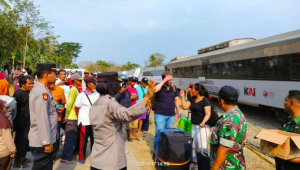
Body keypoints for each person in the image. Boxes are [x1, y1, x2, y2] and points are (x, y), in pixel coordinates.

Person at [89, 72, 155, 170]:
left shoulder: (96, 103)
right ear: (112, 85)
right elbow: (127, 114)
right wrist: (147, 98)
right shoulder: (110, 103)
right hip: (112, 161)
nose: (119, 85)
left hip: (96, 160)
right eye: (117, 83)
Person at [28, 63, 58, 170]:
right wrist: (46, 142)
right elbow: (41, 118)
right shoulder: (42, 93)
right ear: (46, 74)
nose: (56, 77)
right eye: (54, 74)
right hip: (42, 142)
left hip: (44, 139)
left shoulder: (41, 90)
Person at [210, 86, 247, 170]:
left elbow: (224, 148)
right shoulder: (238, 113)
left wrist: (213, 168)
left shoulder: (229, 120)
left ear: (222, 101)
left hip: (226, 166)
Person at [180, 83, 211, 169]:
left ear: (197, 91)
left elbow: (208, 114)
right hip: (194, 125)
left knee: (201, 147)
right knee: (193, 145)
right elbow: (185, 107)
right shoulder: (192, 98)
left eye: (193, 89)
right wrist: (183, 96)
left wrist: (203, 122)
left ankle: (202, 166)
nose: (191, 90)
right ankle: (195, 163)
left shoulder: (205, 100)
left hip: (203, 127)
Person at [152, 72, 180, 159]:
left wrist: (177, 112)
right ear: (164, 79)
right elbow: (154, 90)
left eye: (171, 79)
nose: (170, 81)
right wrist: (164, 81)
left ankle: (165, 152)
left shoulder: (173, 88)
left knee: (168, 134)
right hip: (160, 114)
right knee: (159, 133)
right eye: (169, 79)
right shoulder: (159, 86)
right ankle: (156, 152)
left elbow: (176, 100)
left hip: (171, 115)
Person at [75, 76, 99, 164]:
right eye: (94, 83)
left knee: (95, 140)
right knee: (83, 141)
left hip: (94, 122)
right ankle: (81, 157)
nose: (96, 85)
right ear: (88, 84)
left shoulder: (97, 94)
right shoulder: (81, 95)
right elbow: (76, 108)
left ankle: (95, 157)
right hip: (84, 122)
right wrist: (81, 118)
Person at [275, 90, 300, 170]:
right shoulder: (288, 120)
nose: (284, 103)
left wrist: (288, 158)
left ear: (292, 103)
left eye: (286, 101)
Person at [13, 75, 34, 168]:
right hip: (21, 122)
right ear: (22, 84)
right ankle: (17, 161)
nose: (31, 85)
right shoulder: (18, 94)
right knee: (21, 141)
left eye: (32, 83)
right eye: (29, 84)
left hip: (28, 121)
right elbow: (15, 110)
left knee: (26, 141)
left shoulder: (29, 92)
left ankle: (23, 157)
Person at [61, 73, 82, 164]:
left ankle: (69, 154)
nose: (81, 81)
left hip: (75, 117)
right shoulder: (73, 90)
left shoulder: (76, 90)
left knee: (73, 137)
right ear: (74, 81)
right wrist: (67, 115)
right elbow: (69, 104)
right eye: (79, 80)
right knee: (70, 137)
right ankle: (66, 157)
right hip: (72, 117)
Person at [49, 82, 66, 162]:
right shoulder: (43, 90)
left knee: (56, 136)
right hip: (45, 118)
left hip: (57, 118)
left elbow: (63, 102)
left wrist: (58, 107)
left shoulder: (60, 90)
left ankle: (53, 156)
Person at [0, 99, 17, 170]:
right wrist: (13, 150)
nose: (5, 108)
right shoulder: (2, 121)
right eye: (4, 106)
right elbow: (7, 138)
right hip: (2, 153)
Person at [125, 76, 140, 141]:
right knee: (128, 123)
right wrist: (133, 97)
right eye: (132, 82)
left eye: (135, 82)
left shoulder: (135, 89)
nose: (134, 83)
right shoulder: (126, 89)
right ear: (129, 82)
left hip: (134, 107)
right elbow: (126, 98)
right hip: (128, 108)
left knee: (135, 122)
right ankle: (128, 136)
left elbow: (137, 97)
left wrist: (133, 97)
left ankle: (134, 135)